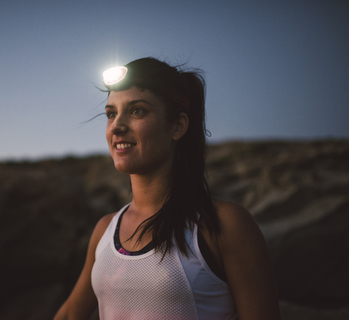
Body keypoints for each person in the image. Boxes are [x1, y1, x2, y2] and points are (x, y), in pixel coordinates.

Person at [54, 57, 280, 320]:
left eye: (137, 110)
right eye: (111, 114)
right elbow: (71, 314)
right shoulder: (105, 229)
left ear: (177, 126)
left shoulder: (223, 225)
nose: (116, 126)